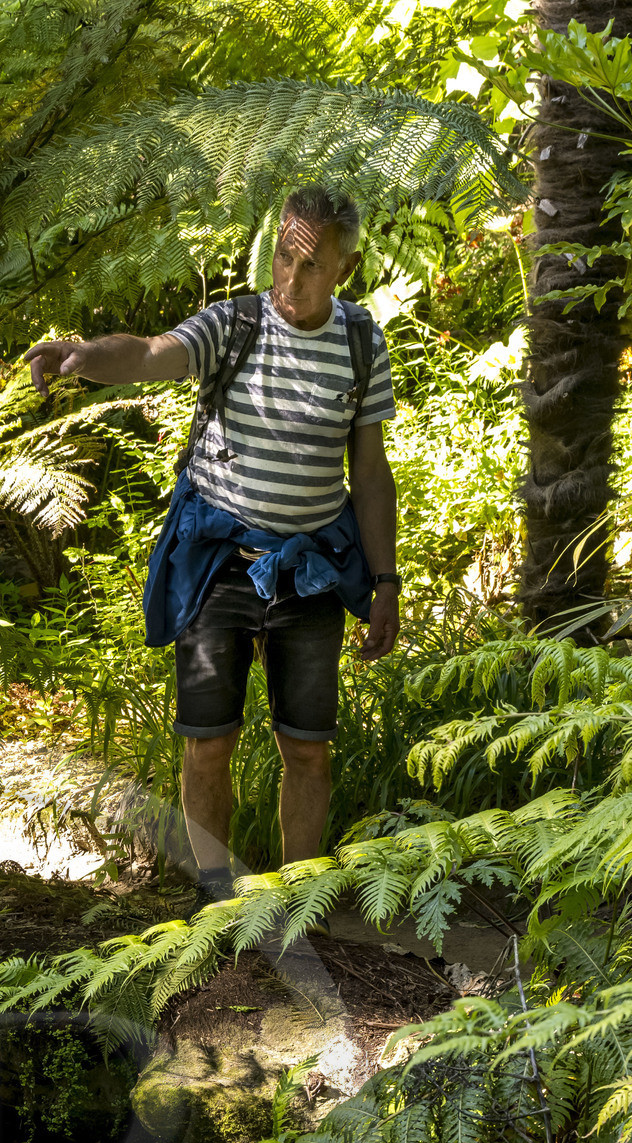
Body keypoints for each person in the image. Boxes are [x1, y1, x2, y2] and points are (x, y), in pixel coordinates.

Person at [24, 185, 400, 882]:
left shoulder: (359, 339)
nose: (291, 276)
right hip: (219, 561)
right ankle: (215, 905)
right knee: (207, 744)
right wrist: (82, 354)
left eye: (311, 264)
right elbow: (146, 352)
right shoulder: (234, 325)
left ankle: (296, 910)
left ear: (345, 269)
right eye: (283, 257)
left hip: (312, 566)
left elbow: (371, 473)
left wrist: (386, 583)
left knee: (308, 748)